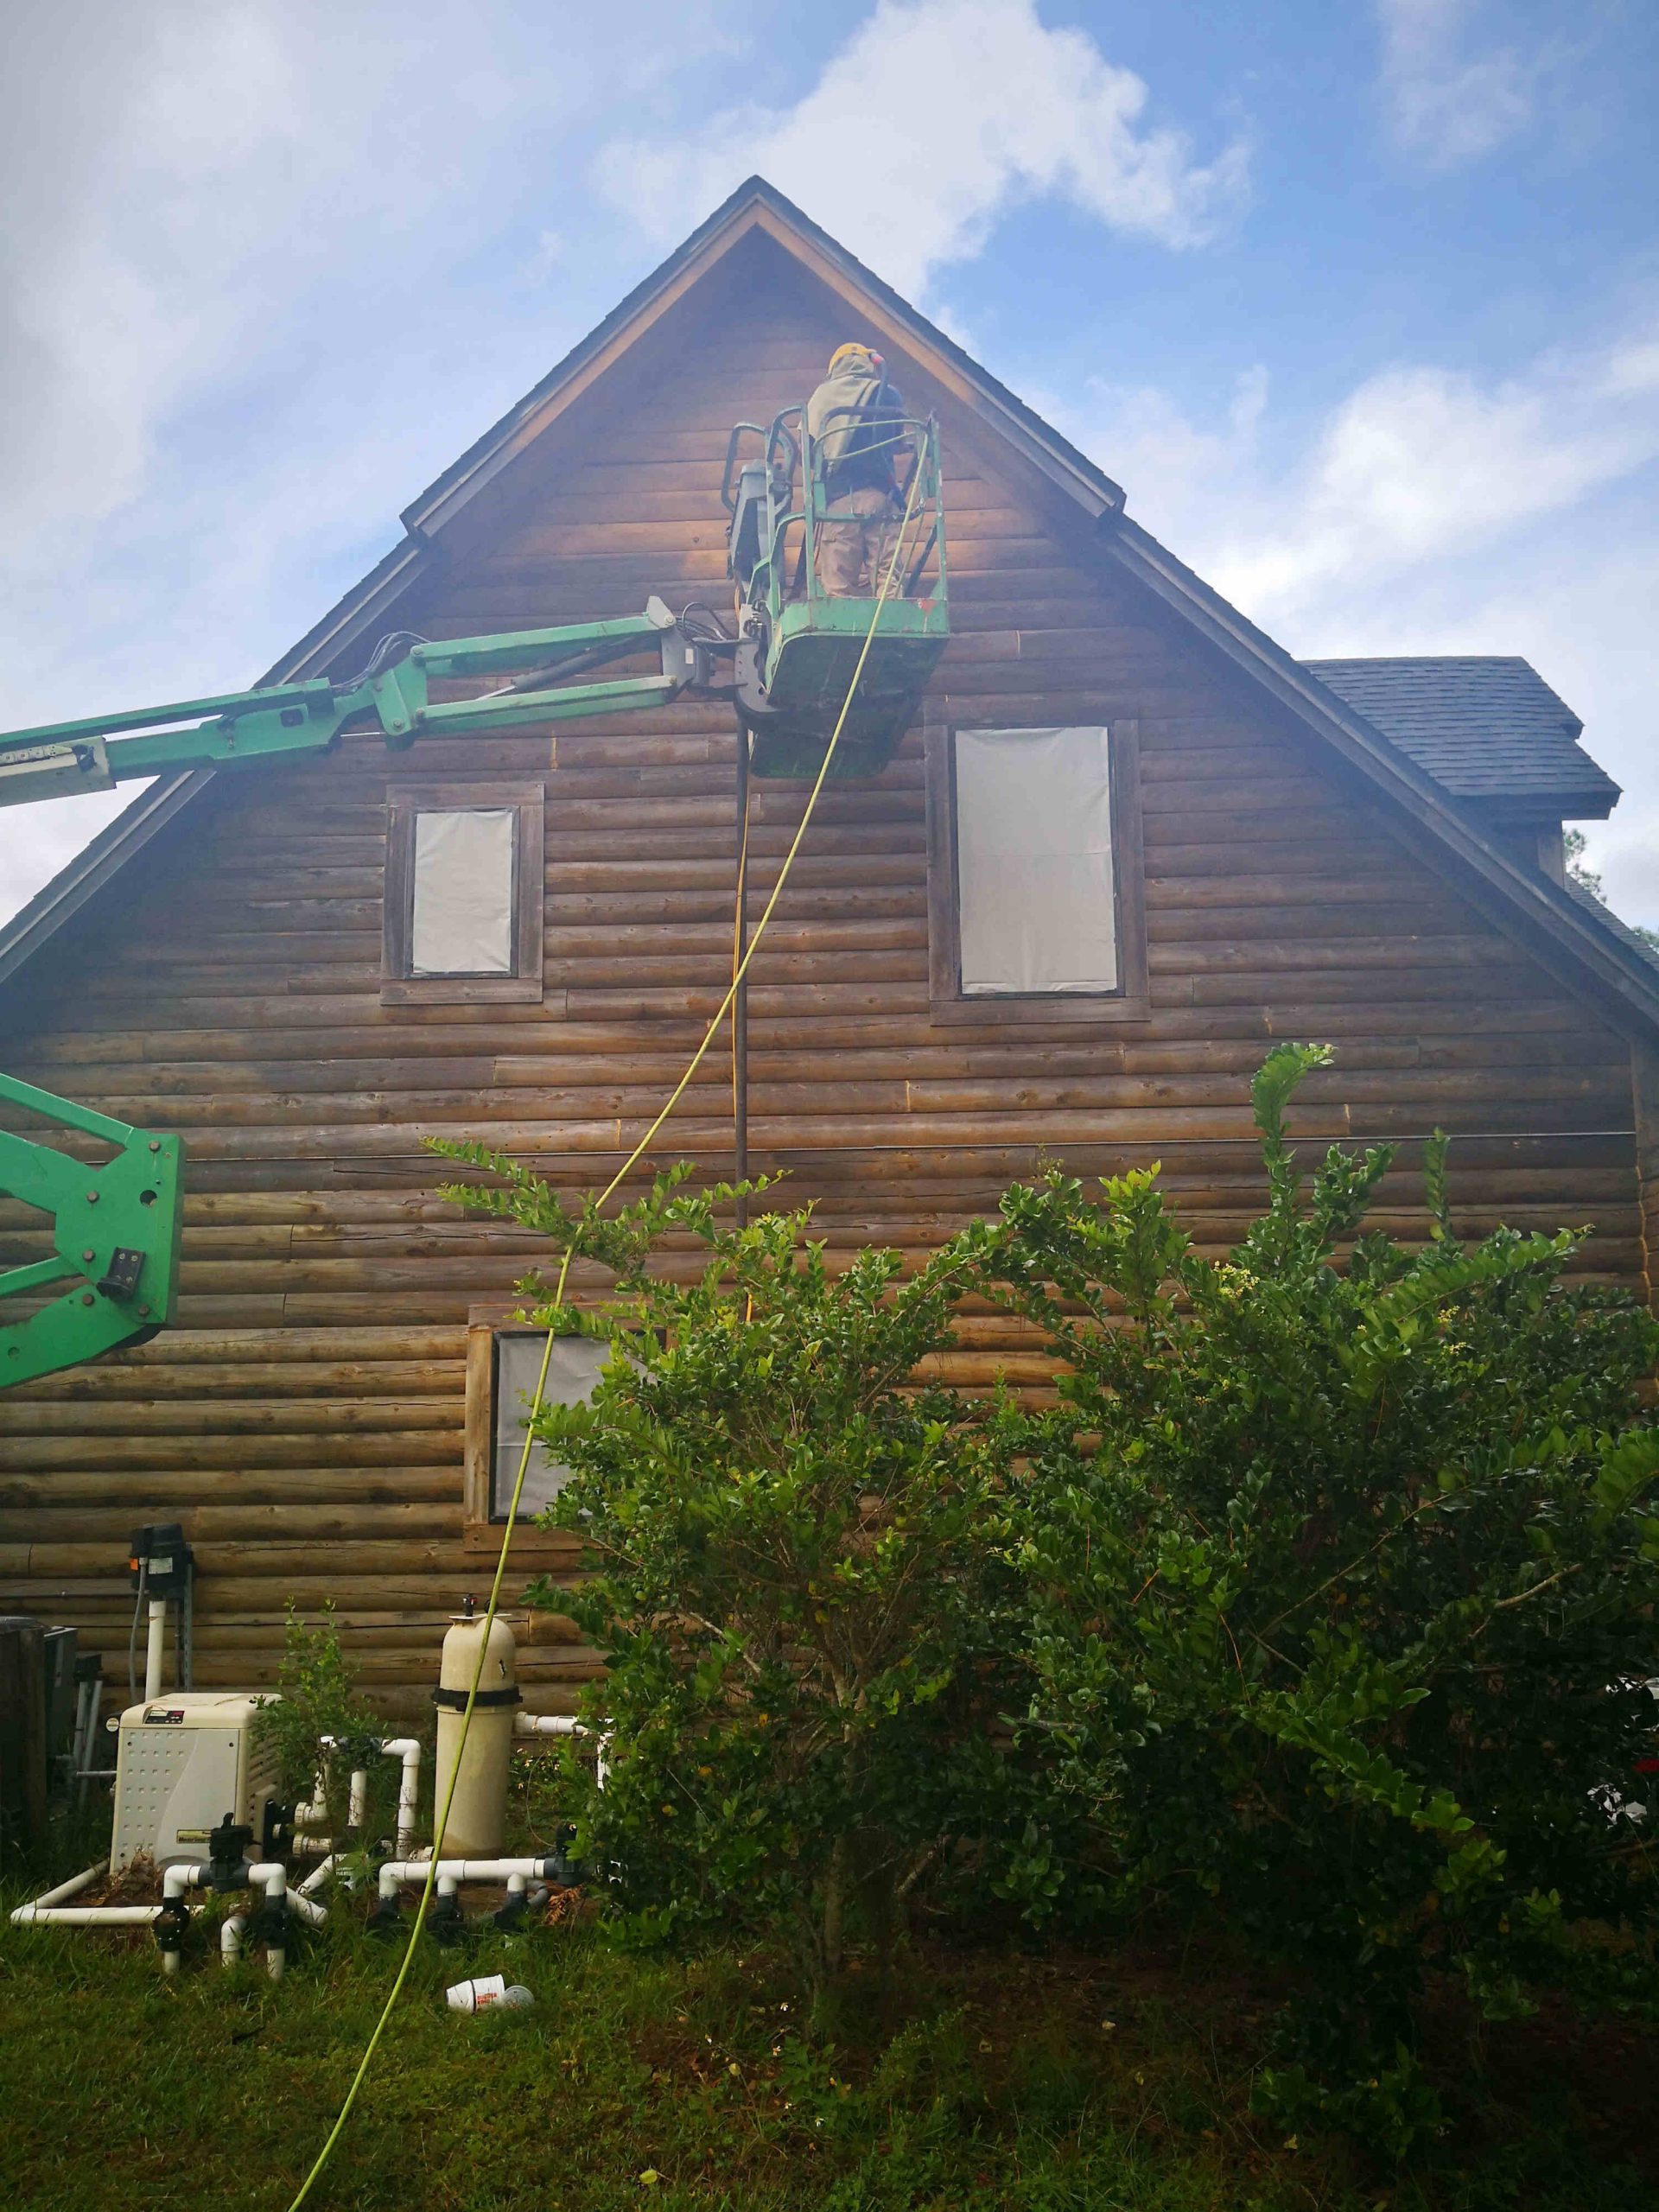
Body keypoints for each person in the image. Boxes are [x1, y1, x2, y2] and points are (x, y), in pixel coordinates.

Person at [804, 343, 911, 597]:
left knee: (838, 585)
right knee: (888, 578)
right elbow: (895, 441)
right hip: (883, 497)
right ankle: (892, 624)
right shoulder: (888, 393)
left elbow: (808, 449)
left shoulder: (823, 396)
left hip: (841, 501)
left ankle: (838, 635)